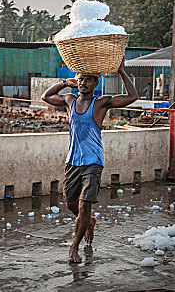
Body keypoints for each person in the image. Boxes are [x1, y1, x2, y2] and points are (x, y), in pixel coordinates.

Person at [41, 59, 138, 263]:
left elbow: (132, 96)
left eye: (87, 80)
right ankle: (89, 222)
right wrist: (65, 82)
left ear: (95, 83)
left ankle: (74, 248)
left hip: (93, 161)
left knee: (85, 205)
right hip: (73, 161)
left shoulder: (101, 102)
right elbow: (46, 96)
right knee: (70, 204)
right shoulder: (70, 100)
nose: (83, 82)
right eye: (80, 79)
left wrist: (121, 71)